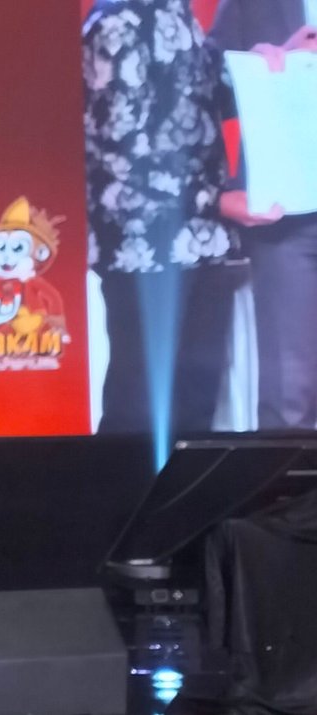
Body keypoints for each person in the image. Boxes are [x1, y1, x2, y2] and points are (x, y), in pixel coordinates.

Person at [83, 0, 238, 435]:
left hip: (206, 243)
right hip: (143, 249)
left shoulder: (182, 16)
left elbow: (222, 92)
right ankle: (123, 483)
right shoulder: (115, 24)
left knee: (198, 403)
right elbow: (121, 150)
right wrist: (215, 201)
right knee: (139, 407)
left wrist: (279, 60)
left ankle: (187, 484)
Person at [208, 2, 317, 430]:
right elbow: (204, 86)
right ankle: (287, 478)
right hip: (285, 215)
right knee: (289, 399)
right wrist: (257, 70)